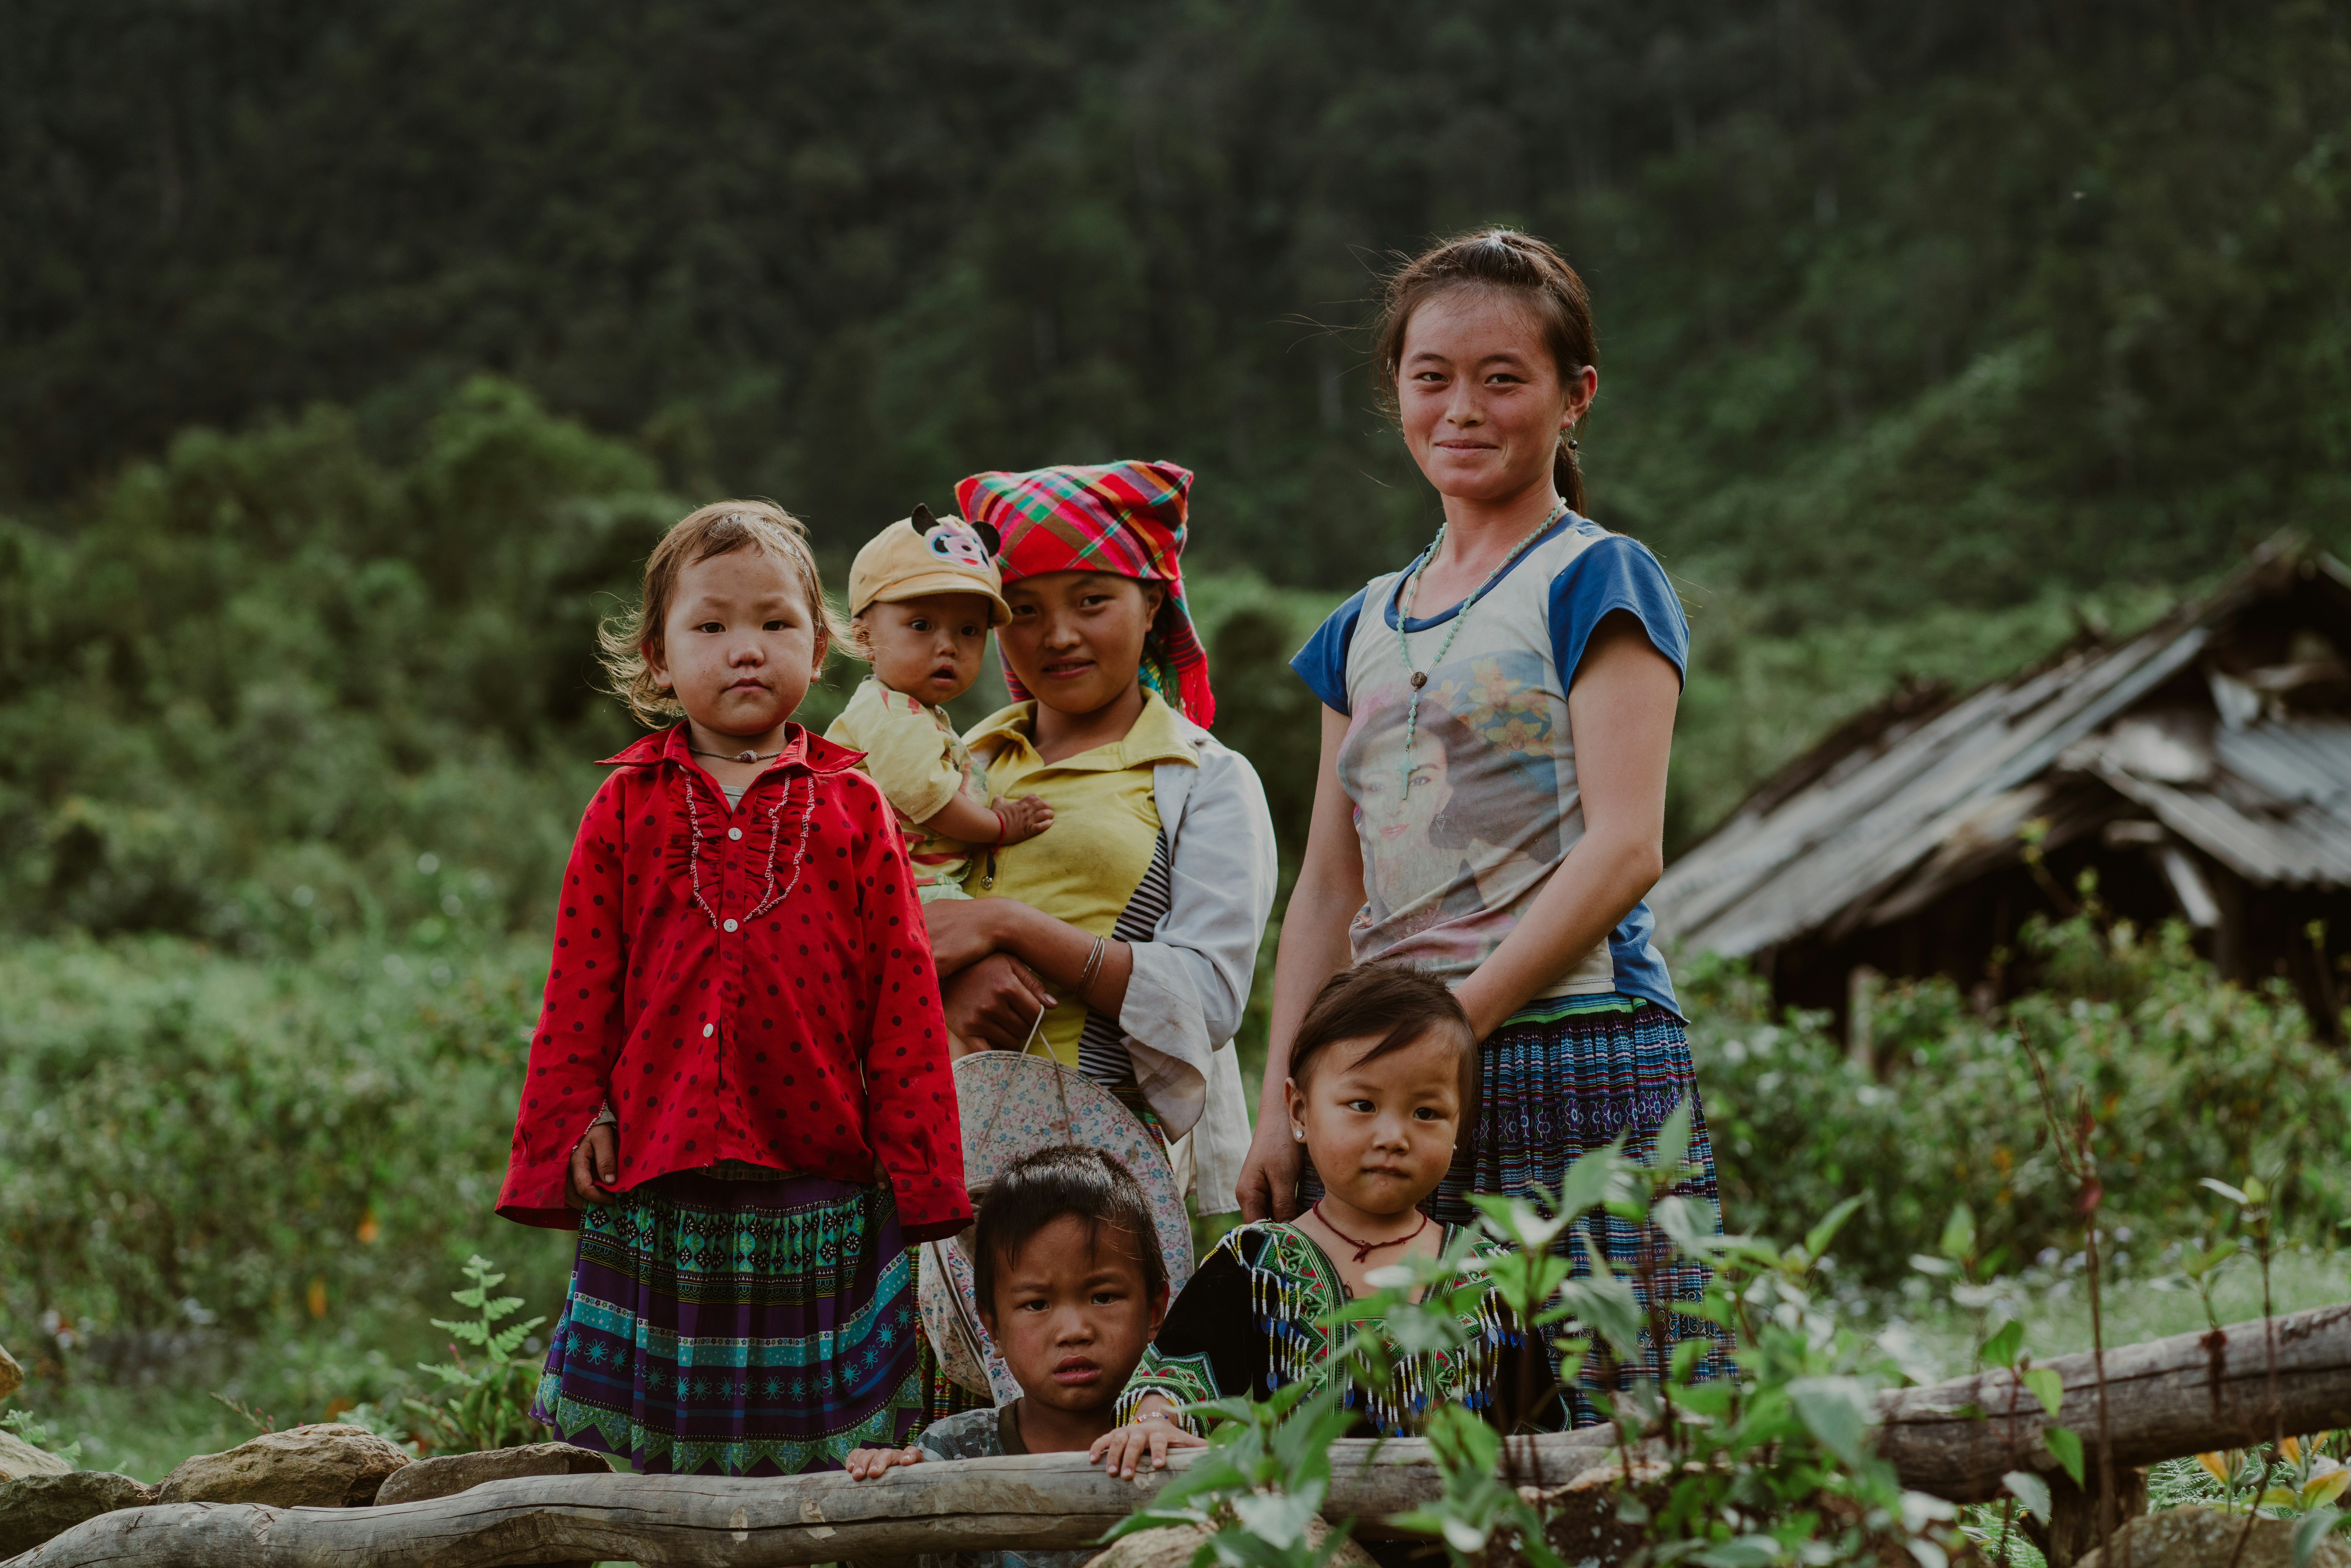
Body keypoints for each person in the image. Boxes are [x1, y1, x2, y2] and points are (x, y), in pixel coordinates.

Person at [1236, 229, 1725, 1420]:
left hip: (1577, 1045)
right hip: (1400, 1086)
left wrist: (1451, 1026)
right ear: (1395, 391)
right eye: (1431, 376)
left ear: (1573, 399)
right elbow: (1325, 889)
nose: (1462, 407)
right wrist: (1281, 1096)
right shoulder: (1358, 624)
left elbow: (1624, 846)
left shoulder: (1595, 578)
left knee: (1627, 1420)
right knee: (1432, 1430)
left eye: (1502, 378)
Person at [496, 500, 970, 1476]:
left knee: (818, 1467)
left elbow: (905, 1005)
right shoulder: (623, 807)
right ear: (660, 660)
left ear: (822, 644)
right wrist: (576, 1113)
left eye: (774, 623)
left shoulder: (854, 807)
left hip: (822, 1173)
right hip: (658, 1170)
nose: (745, 649)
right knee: (648, 1469)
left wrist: (920, 1175)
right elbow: (582, 984)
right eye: (711, 626)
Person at [924, 460, 1275, 1210]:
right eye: (1021, 610)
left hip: (1109, 1174)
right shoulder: (947, 770)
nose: (1058, 636)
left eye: (1091, 602)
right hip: (931, 1159)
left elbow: (1208, 999)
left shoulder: (1204, 780)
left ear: (1152, 603)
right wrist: (947, 984)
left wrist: (1004, 925)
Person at [1093, 964, 1564, 1478]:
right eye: (1362, 1105)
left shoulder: (1493, 1278)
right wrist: (1156, 1421)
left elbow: (1541, 1432)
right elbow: (1177, 1376)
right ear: (1298, 1111)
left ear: (1460, 1127)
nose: (1393, 1136)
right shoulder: (1256, 1264)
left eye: (1427, 1113)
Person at [844, 1146, 1172, 1568]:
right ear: (994, 1327)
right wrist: (881, 1495)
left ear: (1154, 1311)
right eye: (1037, 1304)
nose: (1074, 1331)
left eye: (1103, 1297)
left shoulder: (1165, 1445)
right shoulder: (953, 1452)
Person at [825, 505, 1053, 903]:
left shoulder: (914, 712)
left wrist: (984, 803)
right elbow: (931, 800)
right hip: (893, 890)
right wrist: (1001, 824)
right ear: (864, 639)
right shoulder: (888, 714)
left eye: (969, 630)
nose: (948, 646)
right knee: (996, 955)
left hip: (914, 884)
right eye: (921, 625)